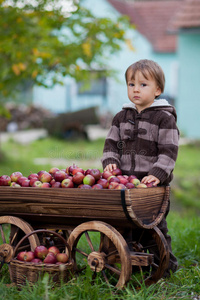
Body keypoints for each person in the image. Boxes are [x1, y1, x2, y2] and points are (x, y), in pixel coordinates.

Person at [101, 59, 179, 276]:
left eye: (143, 85)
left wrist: (157, 174)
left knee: (153, 227)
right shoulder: (121, 117)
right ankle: (125, 265)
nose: (136, 89)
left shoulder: (164, 118)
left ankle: (164, 267)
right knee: (122, 226)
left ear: (158, 90)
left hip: (152, 186)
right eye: (131, 84)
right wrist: (110, 163)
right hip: (124, 184)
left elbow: (169, 151)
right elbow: (110, 145)